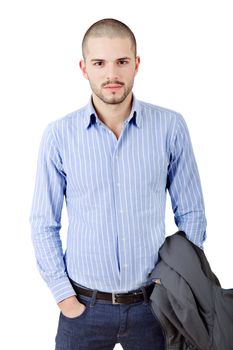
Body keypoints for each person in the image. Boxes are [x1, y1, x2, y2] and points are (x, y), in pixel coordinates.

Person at [30, 18, 207, 350]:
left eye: (122, 61)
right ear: (84, 68)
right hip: (83, 310)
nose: (111, 73)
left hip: (154, 308)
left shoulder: (170, 127)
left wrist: (175, 286)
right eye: (99, 63)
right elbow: (43, 222)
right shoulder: (59, 136)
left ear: (136, 64)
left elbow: (192, 213)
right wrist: (64, 297)